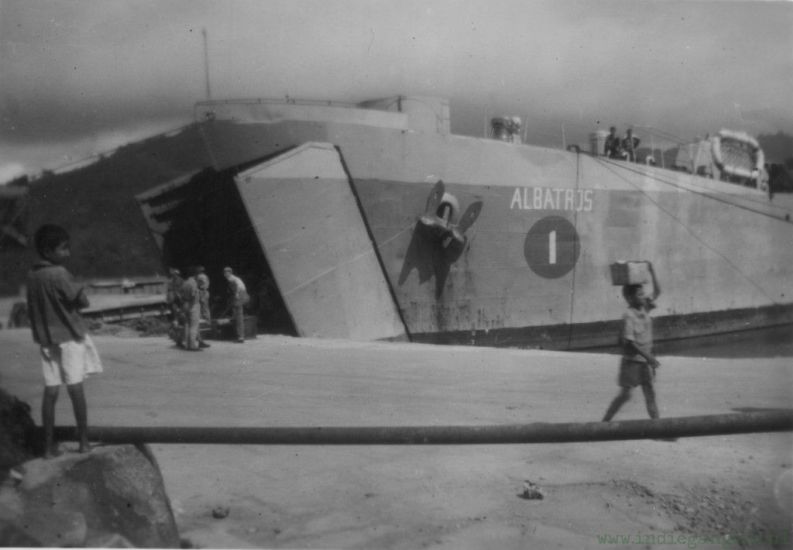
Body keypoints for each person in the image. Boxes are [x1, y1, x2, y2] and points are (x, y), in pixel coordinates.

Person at [26, 224, 103, 458]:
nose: (67, 254)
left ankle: (48, 447)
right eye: (63, 249)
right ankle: (83, 441)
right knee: (75, 387)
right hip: (69, 337)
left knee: (51, 390)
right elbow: (82, 301)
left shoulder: (33, 276)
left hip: (47, 341)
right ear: (49, 252)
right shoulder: (59, 273)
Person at [602, 264, 661, 423]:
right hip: (632, 362)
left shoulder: (645, 308)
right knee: (625, 395)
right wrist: (648, 357)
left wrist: (652, 271)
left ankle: (657, 426)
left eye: (643, 293)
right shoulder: (629, 315)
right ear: (630, 298)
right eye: (639, 294)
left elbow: (657, 292)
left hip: (645, 361)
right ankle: (605, 422)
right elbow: (629, 342)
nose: (643, 296)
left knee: (650, 393)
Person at [223, 267, 249, 343]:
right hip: (239, 295)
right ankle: (239, 335)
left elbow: (238, 286)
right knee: (236, 316)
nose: (225, 274)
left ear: (230, 272)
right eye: (224, 272)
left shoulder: (232, 278)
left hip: (239, 296)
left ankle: (241, 336)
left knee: (238, 316)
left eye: (227, 272)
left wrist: (237, 294)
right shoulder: (233, 278)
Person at [180, 267, 202, 351]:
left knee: (187, 325)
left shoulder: (184, 283)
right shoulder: (193, 283)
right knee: (194, 326)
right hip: (193, 305)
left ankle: (187, 344)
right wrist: (192, 302)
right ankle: (192, 345)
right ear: (195, 275)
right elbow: (193, 294)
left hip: (185, 304)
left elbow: (181, 296)